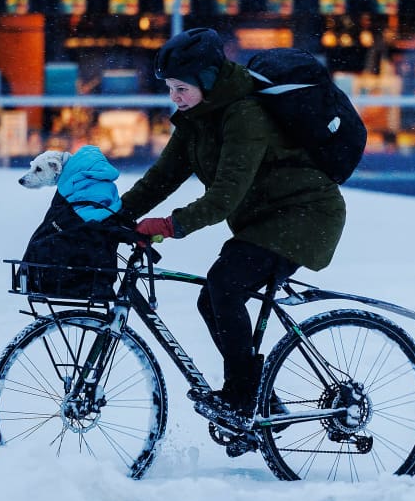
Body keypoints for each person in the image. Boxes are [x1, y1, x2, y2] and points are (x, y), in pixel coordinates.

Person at [117, 28, 347, 428]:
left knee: (223, 285)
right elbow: (160, 179)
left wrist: (168, 226)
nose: (174, 97)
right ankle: (263, 404)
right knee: (213, 297)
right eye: (170, 88)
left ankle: (242, 396)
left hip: (304, 216)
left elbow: (224, 196)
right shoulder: (197, 119)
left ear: (207, 80)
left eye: (180, 87)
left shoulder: (244, 115)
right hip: (264, 219)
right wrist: (114, 217)